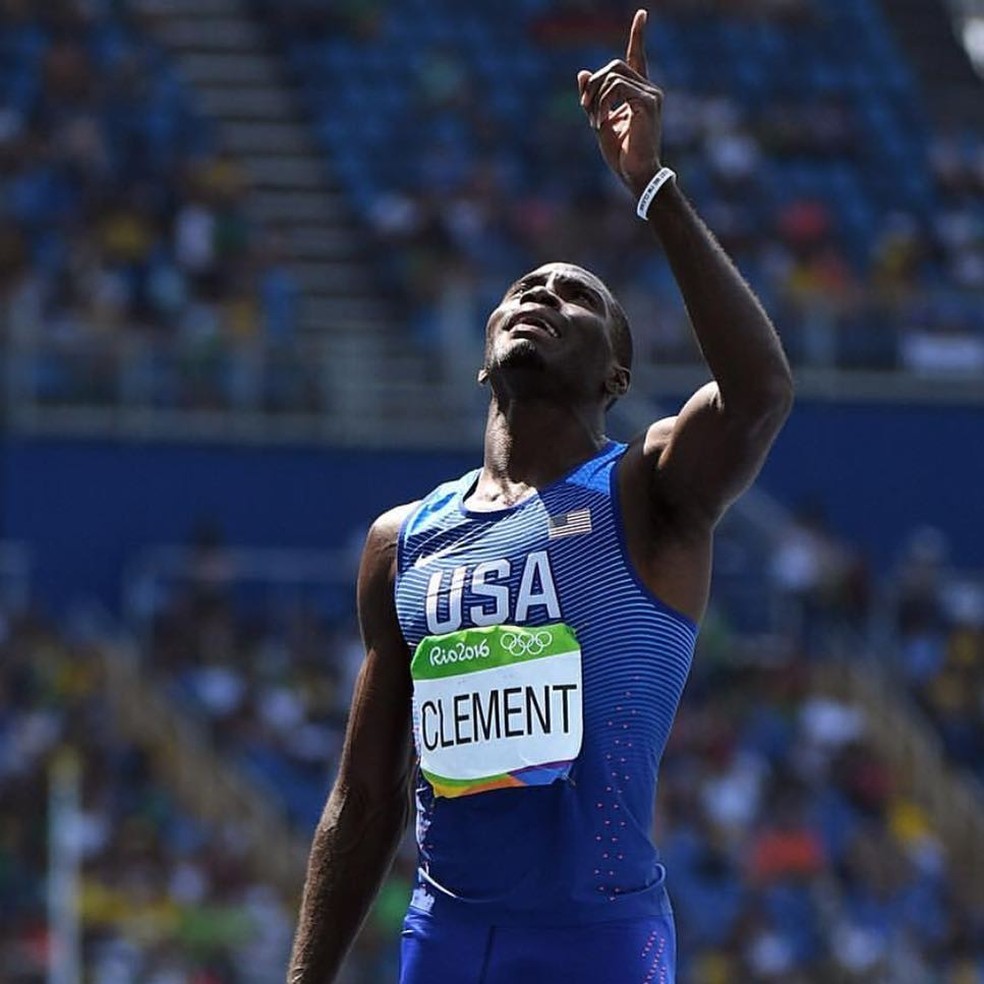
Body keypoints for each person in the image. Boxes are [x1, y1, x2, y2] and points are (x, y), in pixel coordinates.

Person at [288, 9, 793, 983]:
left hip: (596, 943)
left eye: (575, 298)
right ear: (483, 360)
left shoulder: (650, 495)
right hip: (443, 941)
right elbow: (363, 797)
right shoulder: (404, 541)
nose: (538, 298)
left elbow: (760, 393)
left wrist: (653, 189)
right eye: (523, 289)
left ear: (615, 376)